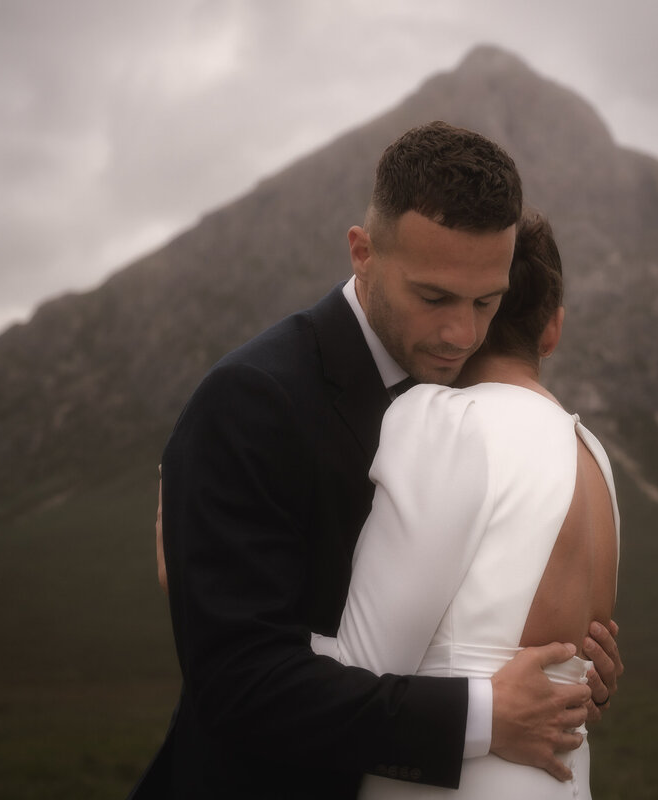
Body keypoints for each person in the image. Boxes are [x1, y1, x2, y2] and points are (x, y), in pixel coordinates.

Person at [130, 122, 623, 799]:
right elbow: (239, 683)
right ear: (362, 253)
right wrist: (483, 714)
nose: (463, 334)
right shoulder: (253, 399)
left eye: (488, 301)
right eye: (433, 298)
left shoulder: (472, 409)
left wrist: (565, 670)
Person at [313, 212, 619, 798]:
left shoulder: (448, 422)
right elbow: (586, 666)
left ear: (481, 314)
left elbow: (356, 673)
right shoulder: (591, 454)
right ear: (552, 330)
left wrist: (205, 581)